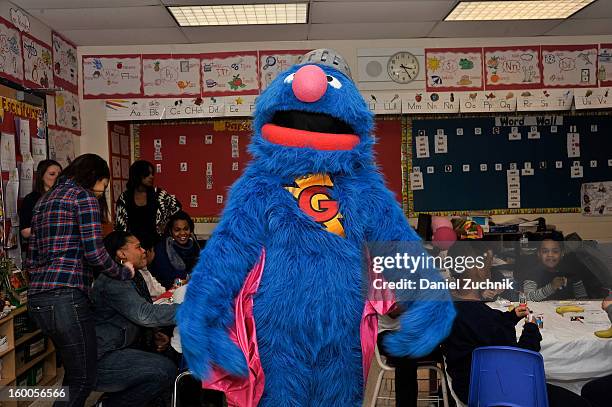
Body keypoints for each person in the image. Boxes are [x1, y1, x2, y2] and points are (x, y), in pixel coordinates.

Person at [26, 154, 134, 407]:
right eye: (103, 186)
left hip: (38, 299)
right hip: (65, 298)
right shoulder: (82, 197)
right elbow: (94, 253)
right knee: (83, 378)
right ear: (94, 177)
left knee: (74, 376)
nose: (101, 193)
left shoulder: (43, 201)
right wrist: (123, 272)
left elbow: (31, 258)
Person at [442, 240, 590, 407]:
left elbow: (478, 329)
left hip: (466, 386)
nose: (490, 272)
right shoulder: (483, 317)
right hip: (500, 390)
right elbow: (521, 359)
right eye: (489, 266)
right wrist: (532, 329)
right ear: (476, 269)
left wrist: (510, 317)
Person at [93, 231, 178, 407]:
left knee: (171, 356)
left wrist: (154, 334)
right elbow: (144, 314)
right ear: (121, 254)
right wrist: (192, 310)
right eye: (138, 247)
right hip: (104, 356)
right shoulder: (113, 280)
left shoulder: (133, 276)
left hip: (122, 347)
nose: (144, 251)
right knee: (165, 370)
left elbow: (139, 313)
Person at [115, 160, 181, 249]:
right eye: (148, 174)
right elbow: (120, 226)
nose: (152, 177)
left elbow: (177, 207)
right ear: (138, 175)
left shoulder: (158, 194)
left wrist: (166, 222)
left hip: (157, 245)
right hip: (133, 247)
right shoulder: (125, 197)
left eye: (152, 174)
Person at [522, 232, 588, 301]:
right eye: (545, 251)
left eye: (555, 251)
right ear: (539, 254)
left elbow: (583, 298)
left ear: (562, 253)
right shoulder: (533, 273)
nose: (550, 255)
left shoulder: (571, 272)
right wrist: (552, 287)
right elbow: (528, 298)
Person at [149, 210, 200, 289]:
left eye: (186, 229)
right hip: (166, 290)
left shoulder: (194, 245)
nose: (182, 233)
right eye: (177, 230)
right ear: (170, 231)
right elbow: (168, 280)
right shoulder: (162, 249)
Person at [19, 159, 62, 251]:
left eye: (60, 174)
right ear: (41, 176)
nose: (57, 178)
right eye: (52, 174)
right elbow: (24, 232)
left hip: (62, 249)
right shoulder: (31, 199)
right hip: (39, 249)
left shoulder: (65, 197)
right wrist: (48, 227)